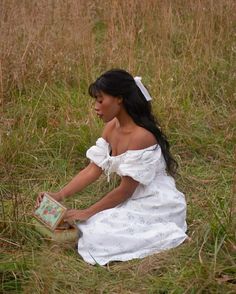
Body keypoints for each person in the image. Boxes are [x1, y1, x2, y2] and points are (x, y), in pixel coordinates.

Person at [36, 69, 187, 265]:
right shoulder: (111, 127)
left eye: (100, 100)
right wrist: (59, 195)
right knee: (85, 226)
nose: (96, 107)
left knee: (94, 232)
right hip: (130, 197)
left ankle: (169, 233)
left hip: (153, 201)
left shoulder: (140, 136)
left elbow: (125, 190)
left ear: (119, 99)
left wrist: (87, 211)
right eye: (95, 101)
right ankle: (76, 231)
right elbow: (93, 169)